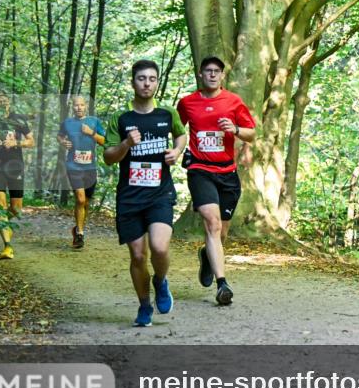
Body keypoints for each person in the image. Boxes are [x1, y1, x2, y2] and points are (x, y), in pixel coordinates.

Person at [103, 60, 187, 327]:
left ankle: (161, 281)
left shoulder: (167, 114)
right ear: (133, 82)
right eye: (141, 78)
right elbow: (108, 157)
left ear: (157, 82)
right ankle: (144, 305)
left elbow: (181, 135)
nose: (146, 83)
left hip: (159, 194)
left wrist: (177, 151)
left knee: (160, 247)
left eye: (152, 79)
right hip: (129, 197)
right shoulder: (121, 118)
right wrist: (127, 143)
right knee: (138, 256)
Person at [177, 55, 256, 306]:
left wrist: (234, 129)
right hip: (200, 170)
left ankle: (207, 256)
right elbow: (177, 129)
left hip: (228, 174)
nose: (212, 75)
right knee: (212, 224)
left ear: (222, 75)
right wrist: (176, 151)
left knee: (220, 234)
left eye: (216, 71)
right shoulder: (187, 103)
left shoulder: (233, 102)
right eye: (207, 71)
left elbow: (251, 133)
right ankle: (222, 285)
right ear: (200, 74)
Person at [0, 94, 34, 259]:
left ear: (9, 103)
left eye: (4, 100)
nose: (2, 103)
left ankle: (1, 221)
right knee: (0, 203)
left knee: (16, 209)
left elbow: (31, 141)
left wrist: (16, 143)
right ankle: (7, 247)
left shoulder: (18, 119)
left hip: (15, 167)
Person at [57, 95, 106, 249]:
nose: (78, 108)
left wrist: (91, 133)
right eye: (75, 105)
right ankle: (80, 234)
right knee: (80, 199)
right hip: (73, 166)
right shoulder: (67, 123)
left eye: (81, 105)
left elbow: (105, 141)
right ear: (72, 107)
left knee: (85, 202)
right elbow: (59, 136)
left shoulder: (94, 122)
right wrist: (63, 142)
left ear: (86, 106)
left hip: (90, 167)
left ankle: (78, 228)